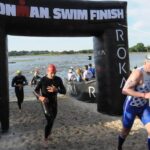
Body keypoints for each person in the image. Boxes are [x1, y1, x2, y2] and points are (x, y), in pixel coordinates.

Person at [117, 55, 150, 150]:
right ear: (145, 62)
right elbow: (125, 90)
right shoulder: (138, 73)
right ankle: (119, 147)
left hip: (144, 107)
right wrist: (144, 95)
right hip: (131, 106)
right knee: (125, 131)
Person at [34, 64, 66, 148]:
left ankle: (48, 134)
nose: (53, 75)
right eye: (51, 73)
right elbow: (35, 91)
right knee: (49, 120)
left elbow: (64, 91)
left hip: (54, 103)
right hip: (45, 103)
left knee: (52, 119)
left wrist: (57, 90)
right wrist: (40, 97)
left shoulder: (58, 79)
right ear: (47, 72)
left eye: (54, 72)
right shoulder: (43, 80)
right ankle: (45, 139)